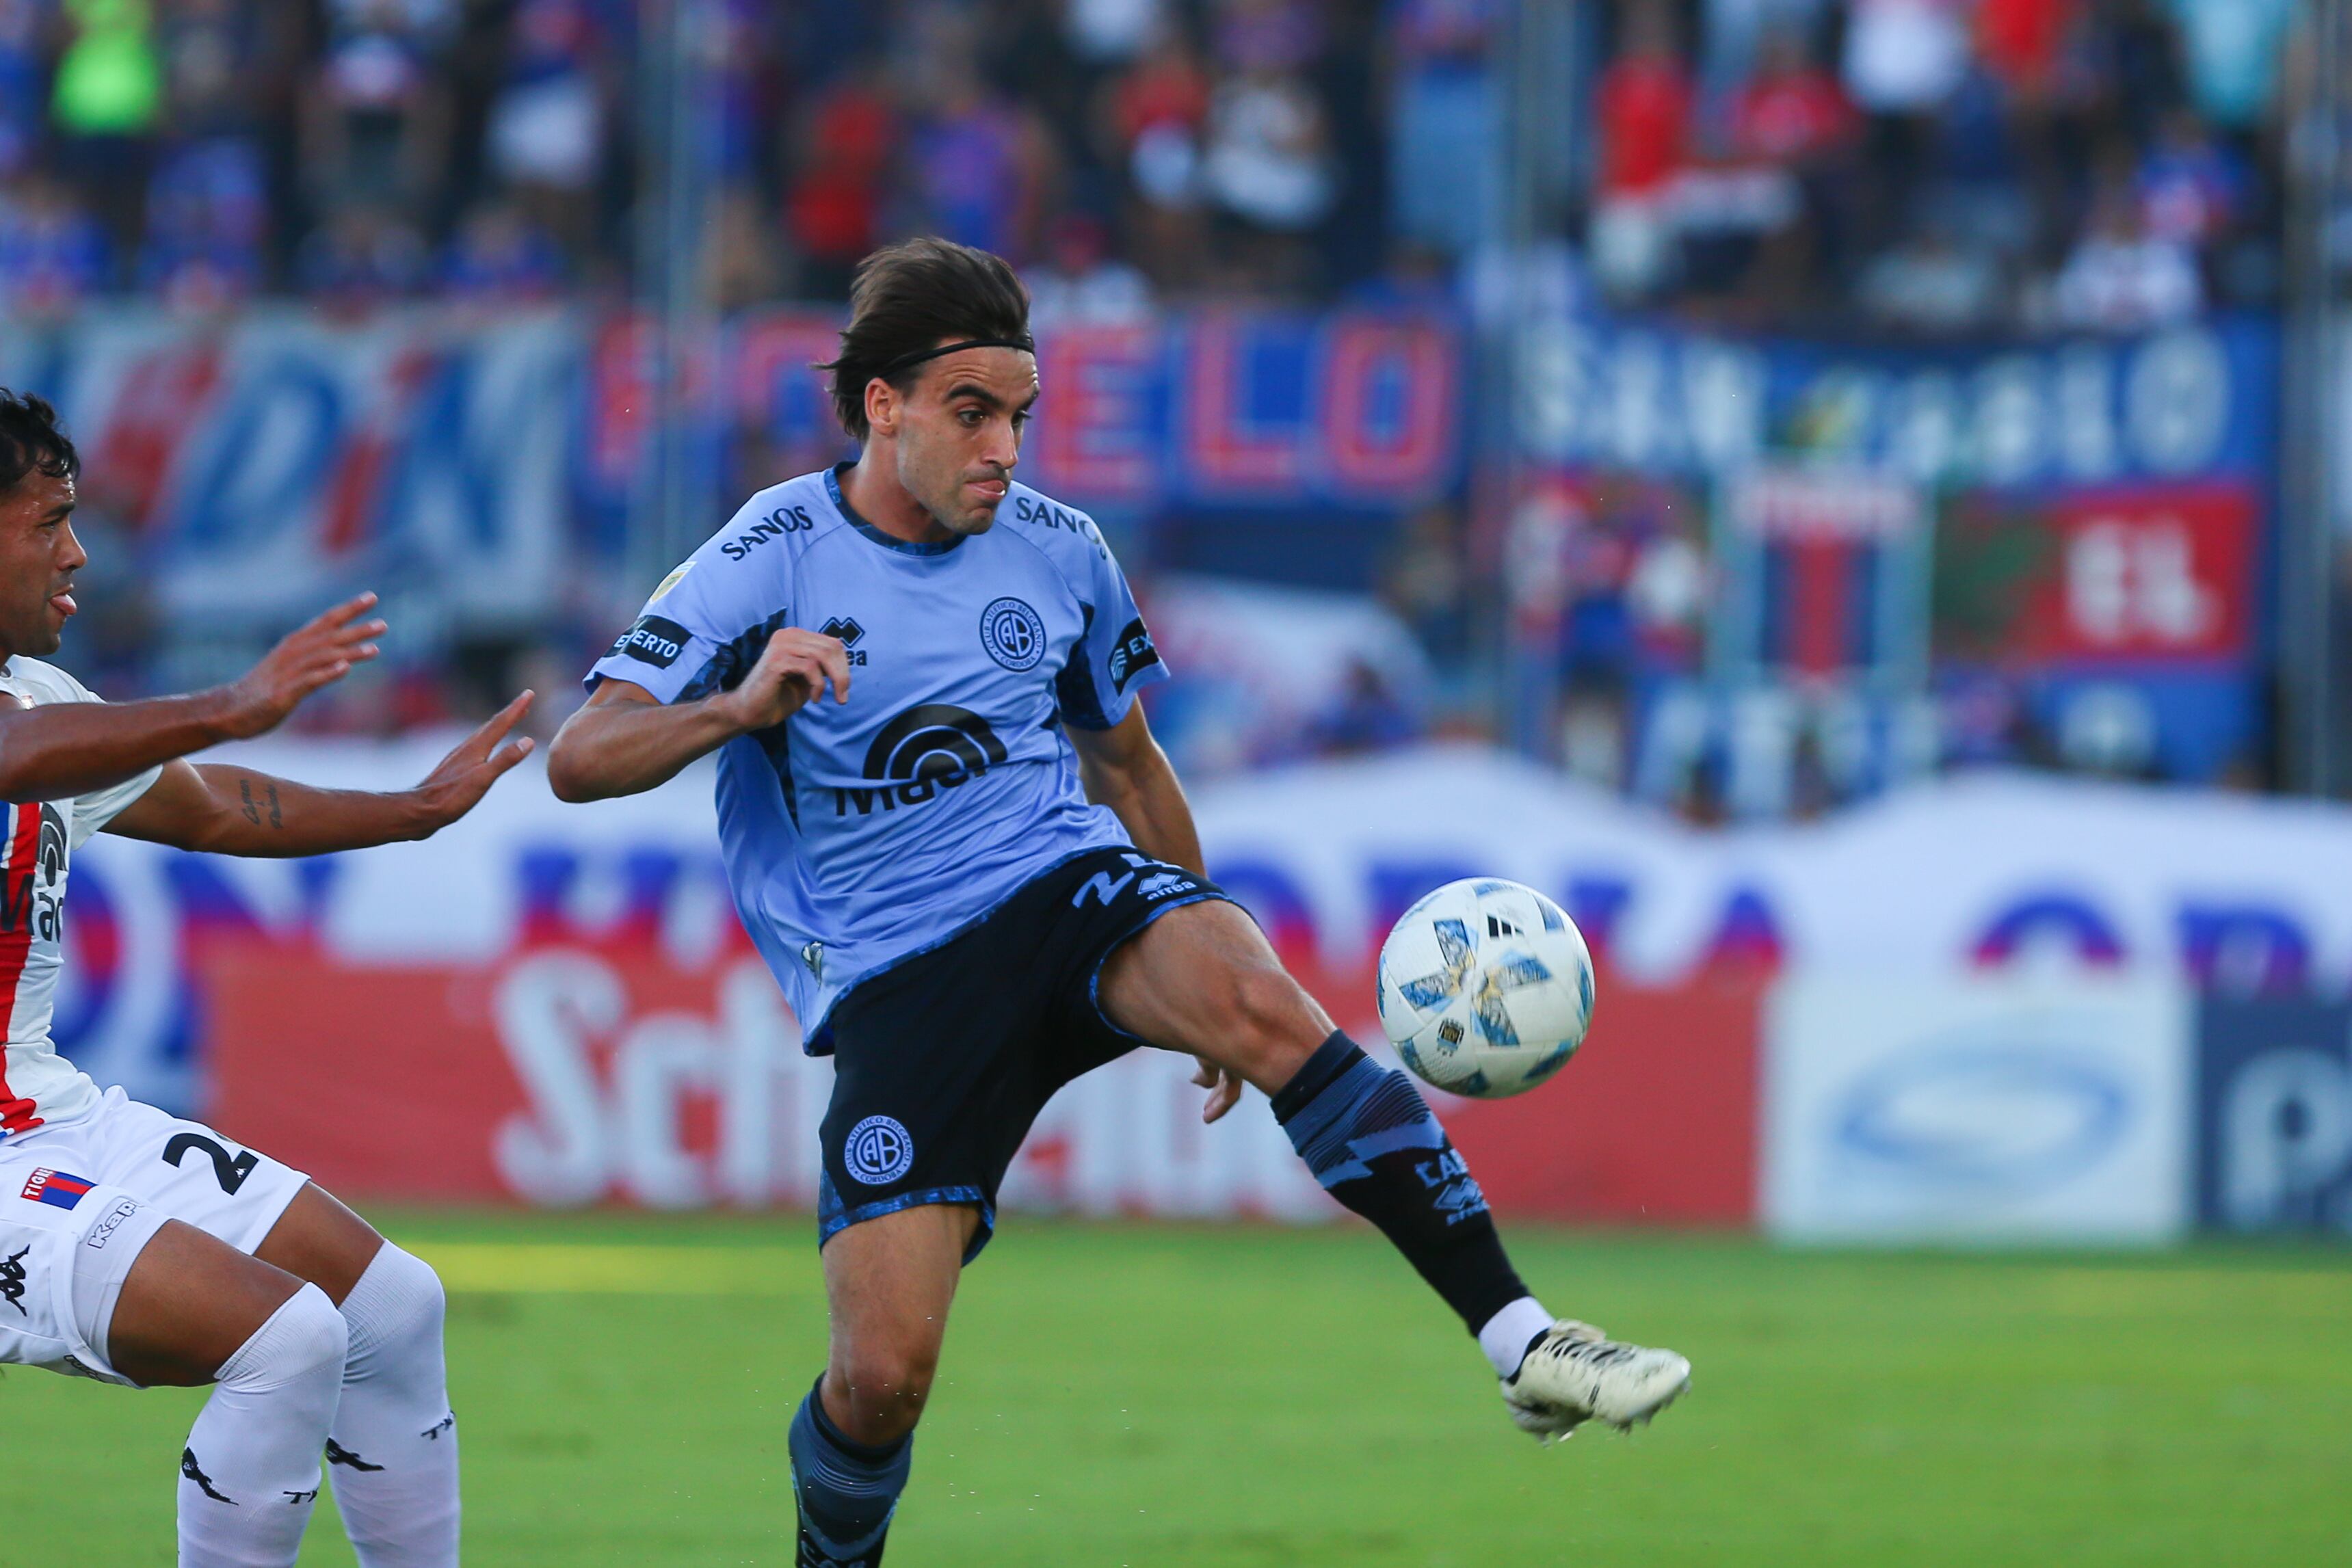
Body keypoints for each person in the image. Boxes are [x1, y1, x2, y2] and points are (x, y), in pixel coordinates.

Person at [546, 237, 1690, 1567]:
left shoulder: (1060, 555)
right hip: (895, 976)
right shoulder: (771, 552)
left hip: (1059, 880)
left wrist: (1202, 942)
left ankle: (1522, 1340)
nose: (1003, 449)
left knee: (1268, 1010)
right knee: (879, 1383)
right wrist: (735, 708)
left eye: (1019, 417)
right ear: (883, 406)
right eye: (971, 413)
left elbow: (1129, 763)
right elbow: (581, 756)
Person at [0, 388, 533, 1568]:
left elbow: (223, 810)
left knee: (392, 1307)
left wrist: (410, 811)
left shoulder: (44, 701)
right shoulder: (26, 731)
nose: (79, 549)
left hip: (49, 1115)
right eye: (48, 521)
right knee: (286, 1338)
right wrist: (232, 701)